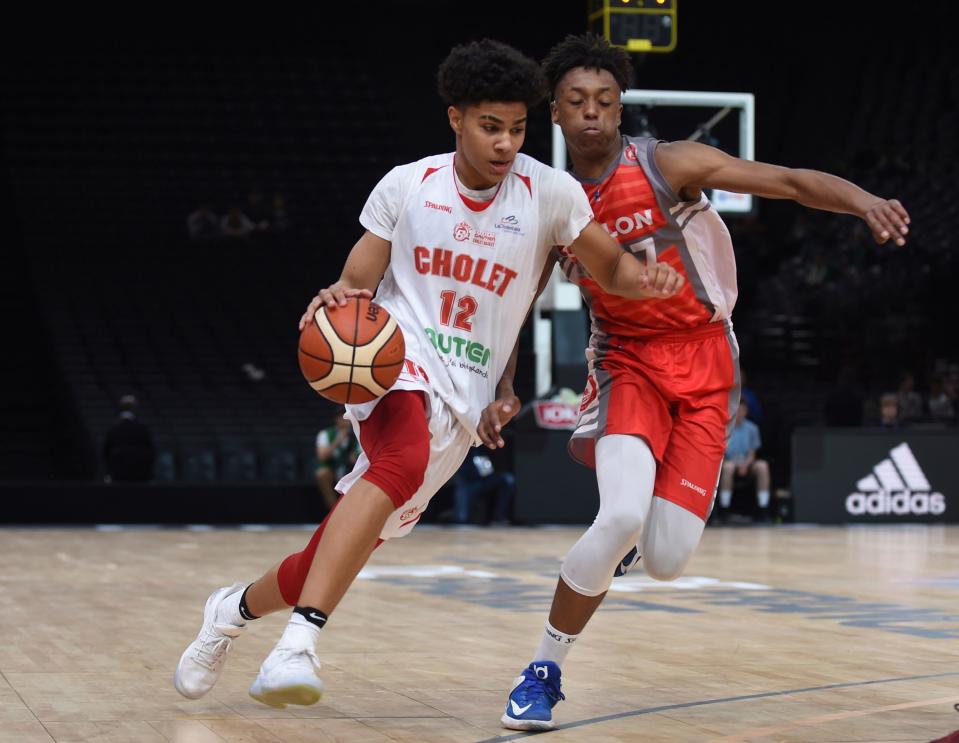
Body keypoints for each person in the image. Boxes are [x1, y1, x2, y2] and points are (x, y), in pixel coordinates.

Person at [173, 38, 682, 709]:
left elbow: (609, 264)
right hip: (394, 360)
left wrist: (641, 280)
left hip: (463, 397)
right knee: (400, 455)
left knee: (332, 554)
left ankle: (230, 611)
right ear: (455, 119)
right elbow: (359, 277)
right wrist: (338, 297)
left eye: (517, 128)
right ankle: (298, 642)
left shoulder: (550, 194)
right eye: (489, 127)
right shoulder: (408, 184)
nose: (504, 144)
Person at [493, 33, 912, 731]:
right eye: (575, 102)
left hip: (706, 360)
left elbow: (785, 181)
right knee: (620, 514)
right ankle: (543, 668)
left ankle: (617, 548)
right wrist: (502, 383)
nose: (591, 113)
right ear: (555, 115)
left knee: (663, 559)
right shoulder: (548, 200)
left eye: (604, 101)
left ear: (619, 109)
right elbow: (518, 299)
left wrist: (861, 199)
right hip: (624, 358)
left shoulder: (665, 164)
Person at [718, 399, 770, 521]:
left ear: (746, 411)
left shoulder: (752, 428)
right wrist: (736, 464)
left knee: (763, 466)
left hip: (748, 464)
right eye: (737, 409)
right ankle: (724, 510)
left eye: (742, 410)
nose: (739, 412)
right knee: (728, 467)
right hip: (729, 463)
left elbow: (752, 453)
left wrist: (745, 464)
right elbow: (721, 453)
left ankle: (763, 509)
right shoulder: (725, 427)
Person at [102, 394, 155, 483]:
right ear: (135, 408)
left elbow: (106, 453)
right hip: (138, 474)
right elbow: (149, 452)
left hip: (118, 474)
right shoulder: (142, 429)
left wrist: (108, 472)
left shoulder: (114, 429)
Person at [451, 452, 515, 525]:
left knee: (508, 479)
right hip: (467, 483)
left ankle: (498, 517)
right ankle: (460, 519)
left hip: (485, 480)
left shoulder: (484, 447)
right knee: (461, 518)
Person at [314, 412, 360, 511]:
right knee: (322, 474)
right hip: (333, 467)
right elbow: (322, 456)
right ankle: (334, 510)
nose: (344, 420)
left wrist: (354, 456)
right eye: (341, 418)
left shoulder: (358, 432)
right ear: (336, 419)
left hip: (352, 469)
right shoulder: (326, 434)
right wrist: (339, 439)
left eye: (347, 418)